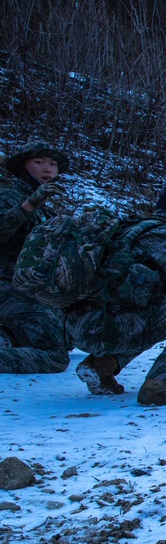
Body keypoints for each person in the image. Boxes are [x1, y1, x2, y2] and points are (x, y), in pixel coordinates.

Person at [66, 183, 166, 405]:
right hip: (105, 326)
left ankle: (102, 365)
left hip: (77, 323)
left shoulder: (131, 227)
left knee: (145, 306)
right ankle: (162, 384)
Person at [0, 139, 72, 374]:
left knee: (72, 333)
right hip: (7, 290)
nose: (47, 169)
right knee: (56, 356)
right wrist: (30, 204)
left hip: (31, 292)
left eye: (52, 164)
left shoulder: (47, 208)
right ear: (23, 167)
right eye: (39, 162)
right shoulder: (9, 196)